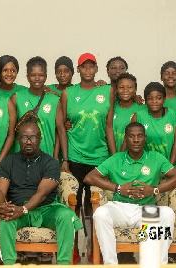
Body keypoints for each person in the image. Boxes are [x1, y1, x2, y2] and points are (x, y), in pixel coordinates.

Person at [86, 122, 176, 265]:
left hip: (146, 210)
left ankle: (157, 264)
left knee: (168, 214)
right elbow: (90, 177)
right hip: (119, 208)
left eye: (140, 136)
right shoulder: (116, 159)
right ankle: (111, 264)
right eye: (131, 136)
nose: (136, 140)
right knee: (100, 213)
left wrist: (153, 189)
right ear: (125, 139)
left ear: (145, 138)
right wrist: (118, 188)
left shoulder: (155, 157)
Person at [0, 122, 83, 265]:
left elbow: (42, 194)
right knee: (6, 218)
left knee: (66, 216)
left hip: (46, 210)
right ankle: (9, 264)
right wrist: (0, 208)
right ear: (18, 140)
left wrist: (22, 210)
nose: (28, 141)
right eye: (24, 137)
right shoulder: (8, 162)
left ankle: (64, 264)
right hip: (17, 208)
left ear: (40, 139)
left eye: (33, 137)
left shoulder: (51, 162)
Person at [62, 52, 114, 262]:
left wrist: (114, 156)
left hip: (100, 158)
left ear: (96, 69)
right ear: (79, 69)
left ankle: (94, 248)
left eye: (91, 66)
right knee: (74, 204)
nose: (88, 70)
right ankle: (73, 248)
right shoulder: (68, 93)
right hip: (75, 157)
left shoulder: (107, 91)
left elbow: (109, 126)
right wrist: (65, 158)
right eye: (84, 67)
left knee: (96, 206)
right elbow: (62, 126)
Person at [10, 56, 69, 165]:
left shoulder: (55, 100)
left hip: (46, 157)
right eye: (33, 75)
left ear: (46, 76)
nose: (37, 78)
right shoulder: (17, 98)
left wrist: (62, 158)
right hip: (21, 157)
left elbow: (60, 131)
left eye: (41, 75)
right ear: (27, 77)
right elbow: (10, 132)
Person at [127, 82, 176, 168]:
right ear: (145, 101)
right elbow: (130, 141)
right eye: (150, 98)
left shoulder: (174, 116)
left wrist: (169, 168)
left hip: (170, 165)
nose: (154, 101)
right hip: (146, 168)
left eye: (158, 98)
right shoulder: (138, 116)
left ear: (164, 99)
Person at [112, 73, 146, 152]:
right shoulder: (111, 108)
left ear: (135, 89)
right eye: (121, 87)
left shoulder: (142, 109)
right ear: (116, 89)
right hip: (110, 157)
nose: (125, 91)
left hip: (132, 158)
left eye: (130, 87)